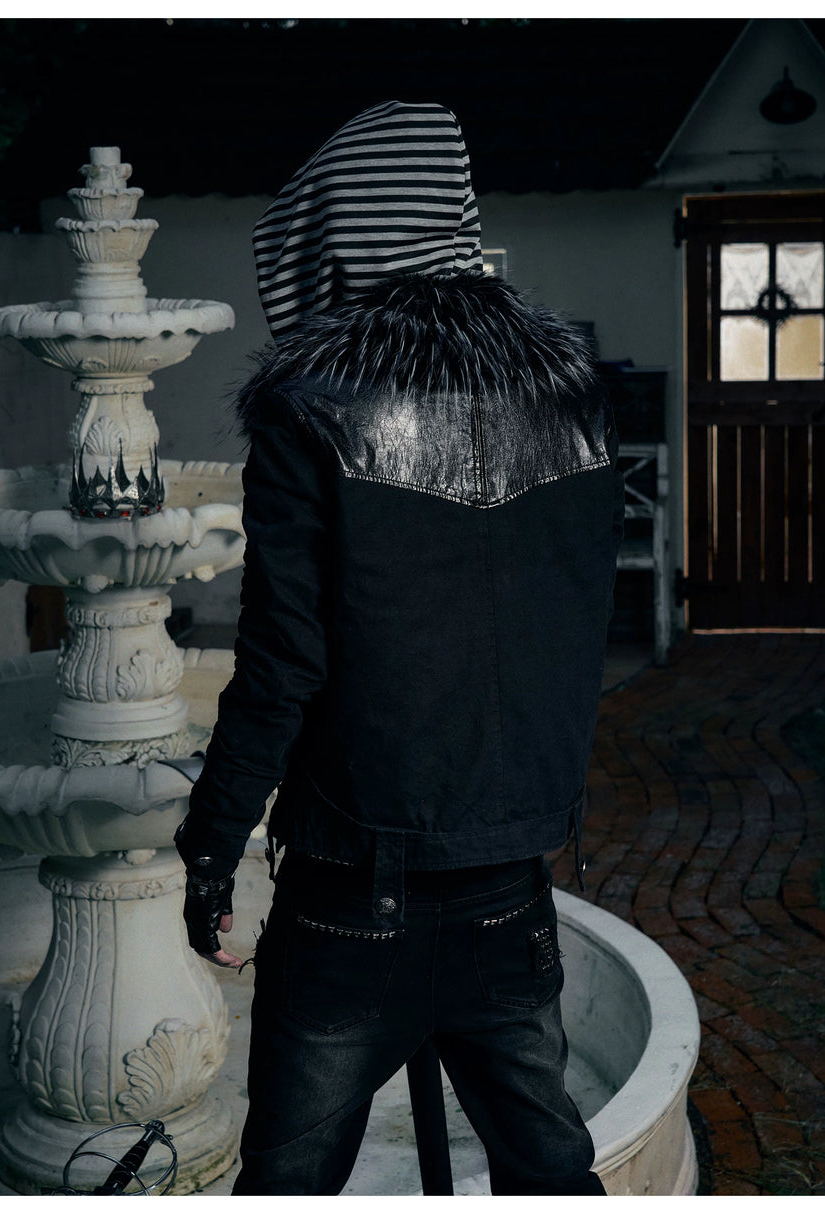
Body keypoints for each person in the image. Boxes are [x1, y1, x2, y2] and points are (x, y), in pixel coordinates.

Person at [174, 100, 623, 1196]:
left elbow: (280, 662)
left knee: (287, 1183)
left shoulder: (311, 409)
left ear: (333, 234)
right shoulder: (568, 396)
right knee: (551, 1176)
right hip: (508, 884)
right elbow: (574, 626)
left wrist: (210, 849)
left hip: (347, 899)